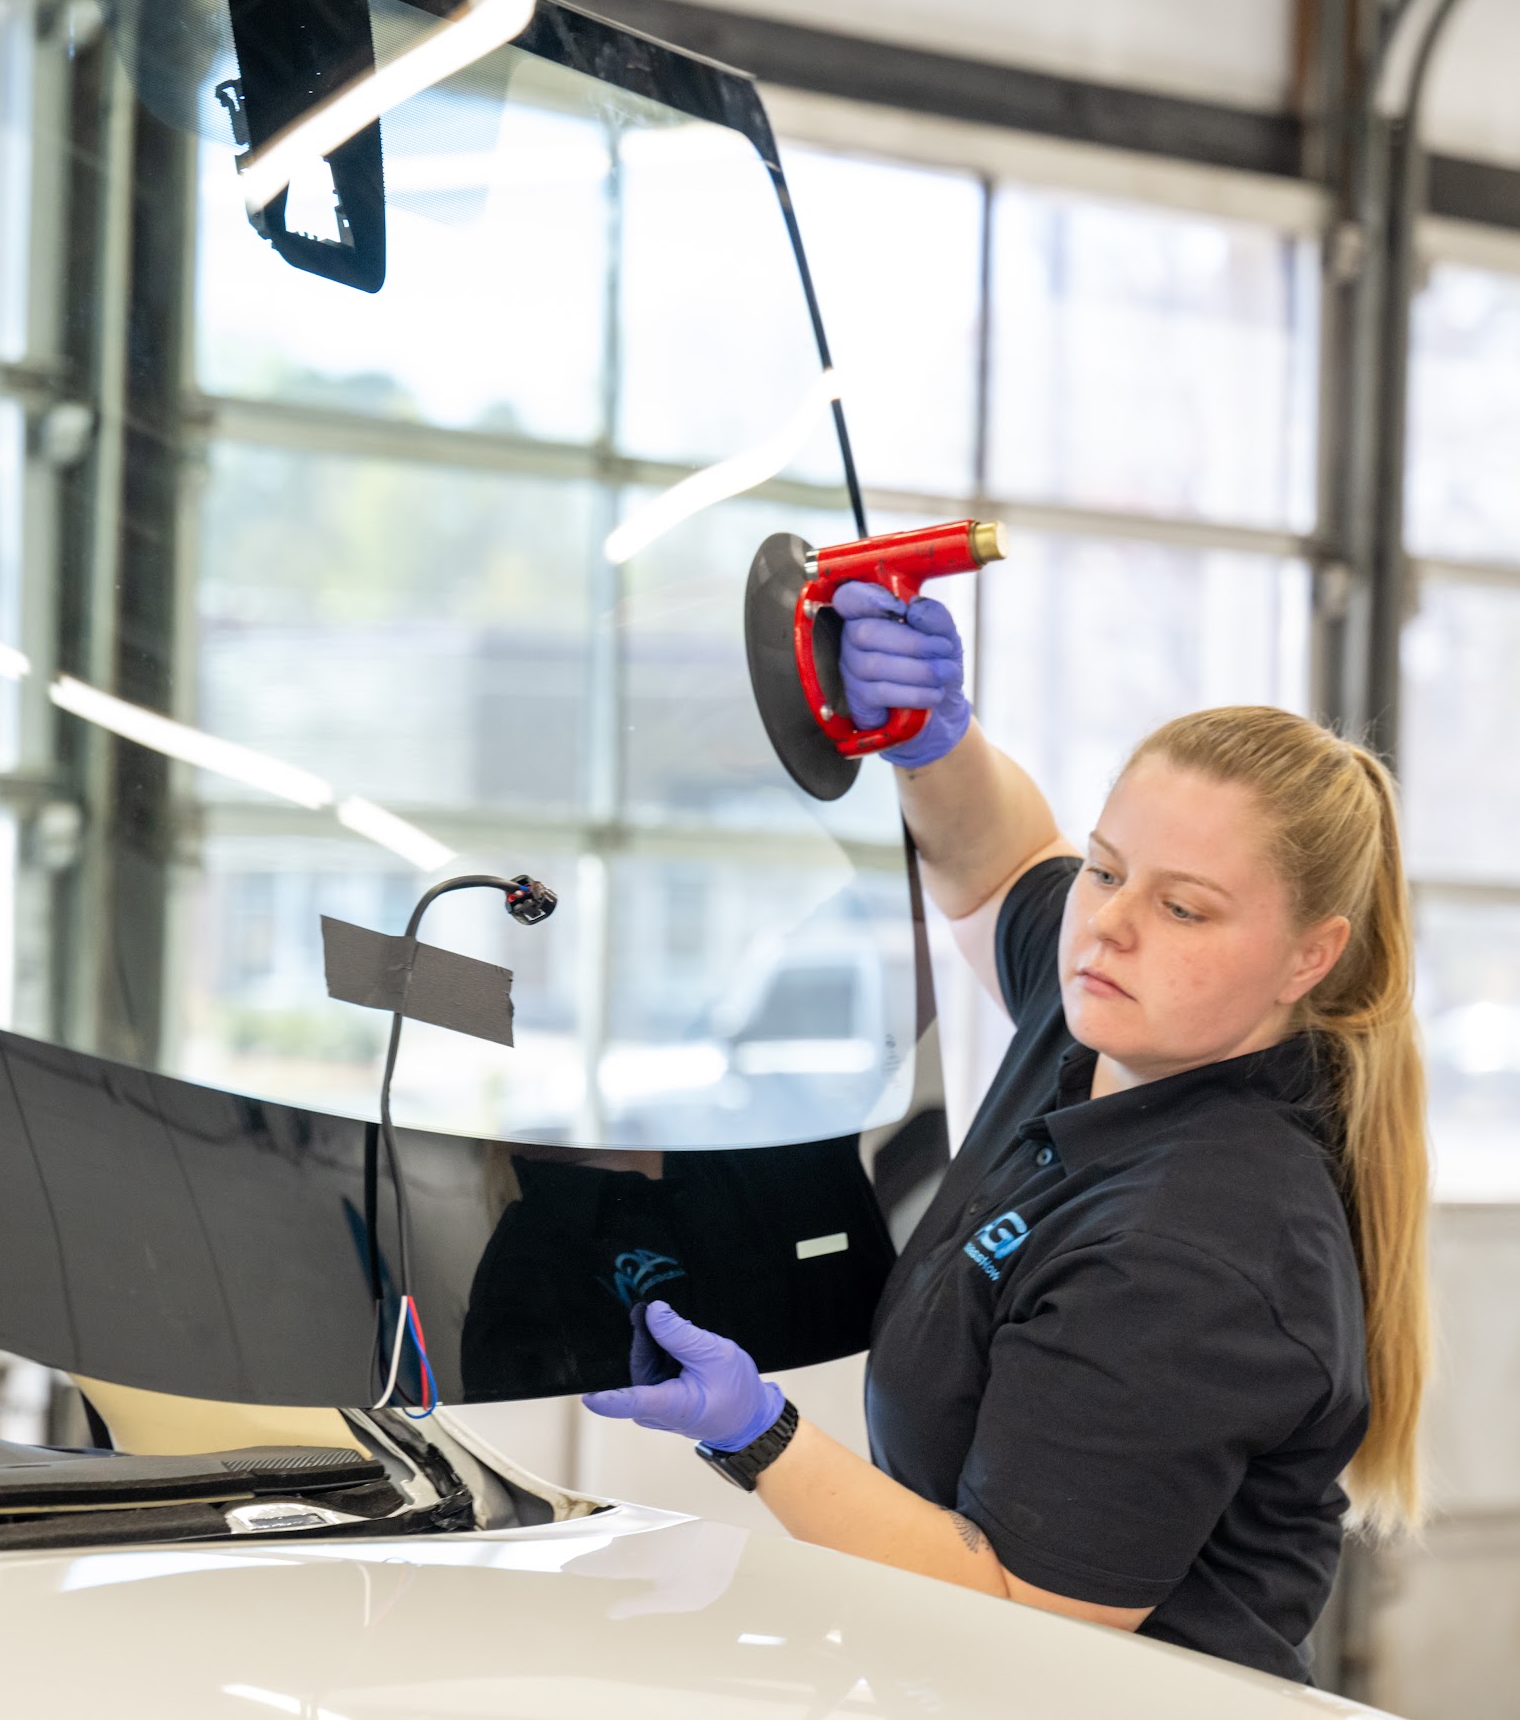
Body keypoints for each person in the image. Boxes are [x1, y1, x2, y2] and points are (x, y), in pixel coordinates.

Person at [583, 581, 1429, 1683]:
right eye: (1106, 867)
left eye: (1183, 908)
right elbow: (999, 862)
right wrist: (933, 741)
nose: (1109, 923)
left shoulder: (1196, 1252)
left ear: (1309, 957)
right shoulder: (1102, 1027)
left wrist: (756, 1431)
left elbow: (1023, 1614)